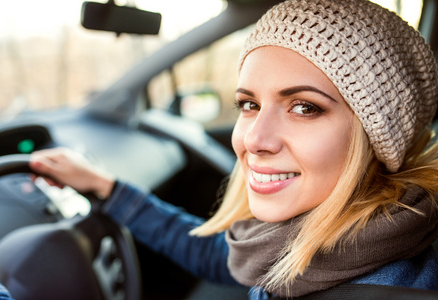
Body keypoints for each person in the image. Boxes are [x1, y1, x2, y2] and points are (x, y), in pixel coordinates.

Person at [26, 0, 438, 298]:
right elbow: (217, 256)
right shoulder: (316, 233)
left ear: (377, 135)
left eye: (304, 107)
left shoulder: (385, 284)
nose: (254, 140)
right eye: (249, 104)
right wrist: (108, 187)